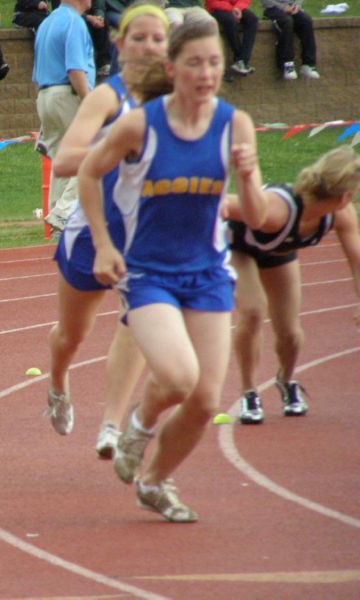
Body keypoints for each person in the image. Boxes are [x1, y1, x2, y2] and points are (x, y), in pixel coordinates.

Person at [77, 13, 267, 522]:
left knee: (205, 400)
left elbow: (257, 217)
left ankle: (155, 482)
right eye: (195, 63)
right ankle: (138, 424)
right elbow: (89, 174)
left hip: (207, 273)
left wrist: (248, 179)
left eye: (214, 63)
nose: (206, 74)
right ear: (172, 66)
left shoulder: (235, 124)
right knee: (180, 378)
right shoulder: (141, 124)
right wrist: (101, 243)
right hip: (148, 273)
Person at [47, 1, 169, 458]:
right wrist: (121, 147)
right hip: (93, 229)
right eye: (137, 38)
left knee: (137, 322)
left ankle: (112, 426)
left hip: (150, 234)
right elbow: (63, 160)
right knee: (71, 336)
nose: (148, 46)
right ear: (119, 46)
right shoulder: (107, 97)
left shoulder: (178, 97)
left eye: (157, 38)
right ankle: (58, 381)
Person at [225, 145, 360, 424]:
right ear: (346, 195)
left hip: (278, 253)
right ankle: (249, 391)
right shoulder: (278, 210)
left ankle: (286, 381)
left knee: (290, 333)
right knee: (252, 311)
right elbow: (222, 203)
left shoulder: (341, 216)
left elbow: (357, 260)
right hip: (238, 247)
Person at [32, 0, 95, 234]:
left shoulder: (47, 23)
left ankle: (59, 223)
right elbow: (75, 69)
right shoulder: (74, 22)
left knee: (63, 163)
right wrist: (89, 101)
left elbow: (37, 72)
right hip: (67, 94)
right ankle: (64, 213)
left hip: (46, 96)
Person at [260, 0, 319, 81]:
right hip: (273, 9)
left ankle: (308, 64)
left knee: (306, 21)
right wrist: (282, 7)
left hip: (292, 7)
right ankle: (287, 63)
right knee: (287, 22)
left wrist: (296, 6)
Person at [204, 0, 257, 77]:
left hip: (237, 7)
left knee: (252, 19)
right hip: (217, 8)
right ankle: (238, 57)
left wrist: (238, 8)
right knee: (230, 20)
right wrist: (232, 9)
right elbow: (213, 3)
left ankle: (243, 60)